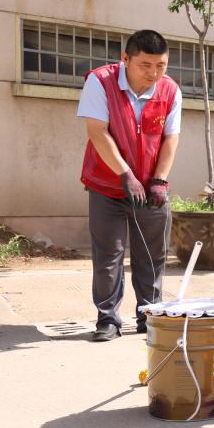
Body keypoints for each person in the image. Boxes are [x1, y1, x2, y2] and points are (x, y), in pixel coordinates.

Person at [78, 29, 182, 342]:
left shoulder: (170, 90)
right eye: (145, 65)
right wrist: (125, 175)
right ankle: (108, 320)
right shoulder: (100, 81)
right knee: (108, 256)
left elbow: (170, 138)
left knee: (152, 255)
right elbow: (97, 131)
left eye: (161, 66)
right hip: (106, 186)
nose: (154, 74)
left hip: (150, 189)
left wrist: (159, 180)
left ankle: (149, 315)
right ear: (126, 59)